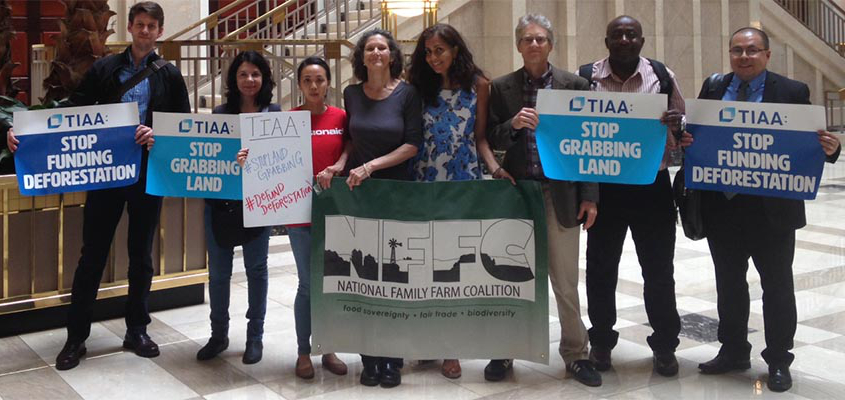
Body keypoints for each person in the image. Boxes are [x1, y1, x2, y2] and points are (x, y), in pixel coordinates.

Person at [6, 1, 190, 371]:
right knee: (92, 256)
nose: (144, 31)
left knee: (141, 257)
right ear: (130, 27)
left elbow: (181, 124)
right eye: (139, 24)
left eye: (151, 26)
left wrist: (157, 133)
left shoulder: (169, 76)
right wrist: (22, 133)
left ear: (159, 31)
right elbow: (72, 111)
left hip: (146, 176)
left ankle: (137, 329)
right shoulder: (105, 68)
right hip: (105, 176)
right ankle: (77, 338)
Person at [682, 27, 841, 392]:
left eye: (752, 50)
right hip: (723, 206)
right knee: (729, 284)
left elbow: (811, 146)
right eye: (737, 50)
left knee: (777, 286)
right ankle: (734, 350)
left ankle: (779, 360)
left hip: (772, 211)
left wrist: (830, 149)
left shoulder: (791, 92)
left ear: (767, 55)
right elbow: (700, 136)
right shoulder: (714, 88)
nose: (744, 57)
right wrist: (689, 138)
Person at [485, 13, 601, 387]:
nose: (533, 45)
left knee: (565, 282)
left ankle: (576, 355)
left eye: (540, 39)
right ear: (518, 45)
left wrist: (591, 197)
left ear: (551, 44)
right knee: (509, 278)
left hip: (561, 194)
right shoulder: (500, 88)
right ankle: (504, 350)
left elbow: (590, 145)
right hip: (517, 194)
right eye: (526, 40)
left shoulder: (576, 85)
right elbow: (491, 138)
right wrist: (512, 126)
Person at [579, 15, 683, 377]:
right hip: (604, 191)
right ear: (607, 41)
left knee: (658, 271)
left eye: (631, 34)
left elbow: (683, 126)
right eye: (617, 35)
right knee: (600, 270)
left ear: (641, 40)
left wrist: (676, 125)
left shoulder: (661, 75)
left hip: (651, 189)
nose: (624, 39)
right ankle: (602, 343)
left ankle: (666, 346)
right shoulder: (584, 77)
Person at [405, 23, 510, 380]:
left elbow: (480, 138)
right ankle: (425, 343)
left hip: (462, 181)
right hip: (423, 181)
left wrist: (495, 169)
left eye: (440, 51)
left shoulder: (479, 85)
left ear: (455, 49)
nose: (433, 58)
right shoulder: (417, 86)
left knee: (452, 267)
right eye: (428, 52)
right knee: (422, 264)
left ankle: (451, 346)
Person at [321, 28, 422, 388]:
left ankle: (392, 357)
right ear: (362, 57)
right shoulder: (351, 93)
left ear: (392, 55)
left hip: (396, 194)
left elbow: (412, 145)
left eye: (382, 47)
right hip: (358, 195)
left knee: (393, 277)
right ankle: (369, 357)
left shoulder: (407, 94)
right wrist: (341, 164)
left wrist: (371, 166)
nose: (376, 52)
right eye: (370, 48)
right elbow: (351, 138)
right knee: (363, 276)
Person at [191, 51, 276, 365]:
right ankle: (218, 335)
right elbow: (212, 158)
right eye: (243, 74)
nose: (250, 80)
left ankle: (255, 337)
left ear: (264, 78)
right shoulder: (221, 112)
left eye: (255, 74)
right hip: (220, 205)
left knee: (257, 271)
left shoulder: (274, 112)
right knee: (219, 274)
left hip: (259, 204)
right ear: (234, 79)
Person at [282, 56, 348, 379]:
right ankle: (303, 351)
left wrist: (338, 165)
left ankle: (329, 348)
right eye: (307, 80)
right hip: (300, 215)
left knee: (331, 284)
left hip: (334, 213)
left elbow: (350, 151)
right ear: (299, 85)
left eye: (319, 79)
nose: (314, 86)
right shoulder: (287, 120)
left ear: (328, 83)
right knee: (308, 284)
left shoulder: (341, 117)